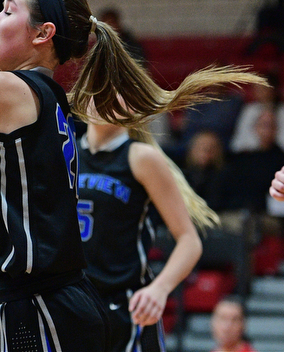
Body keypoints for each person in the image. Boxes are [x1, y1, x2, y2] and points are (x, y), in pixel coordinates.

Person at [0, 0, 265, 352]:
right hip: (41, 303)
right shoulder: (29, 102)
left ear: (43, 34)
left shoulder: (1, 89)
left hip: (42, 304)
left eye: (7, 10)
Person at [77, 111, 219, 352]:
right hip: (69, 301)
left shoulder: (140, 157)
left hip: (123, 305)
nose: (102, 97)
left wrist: (159, 289)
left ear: (131, 105)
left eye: (113, 90)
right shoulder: (64, 153)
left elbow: (189, 240)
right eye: (96, 89)